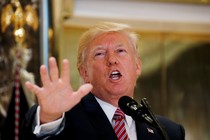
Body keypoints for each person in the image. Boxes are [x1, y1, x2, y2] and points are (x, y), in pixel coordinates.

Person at [20, 21, 185, 140]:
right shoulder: (65, 118)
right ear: (84, 72)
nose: (112, 59)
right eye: (99, 53)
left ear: (137, 66)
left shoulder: (169, 132)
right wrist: (49, 117)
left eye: (120, 50)